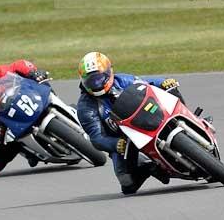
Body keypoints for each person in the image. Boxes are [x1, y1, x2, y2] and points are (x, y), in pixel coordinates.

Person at [76, 51, 183, 195]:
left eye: (99, 78)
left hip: (149, 119)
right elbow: (97, 138)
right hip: (125, 142)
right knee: (128, 185)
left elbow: (147, 84)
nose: (96, 84)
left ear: (109, 72)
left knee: (170, 88)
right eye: (91, 80)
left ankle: (187, 120)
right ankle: (149, 167)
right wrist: (116, 144)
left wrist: (163, 82)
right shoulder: (85, 107)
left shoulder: (123, 81)